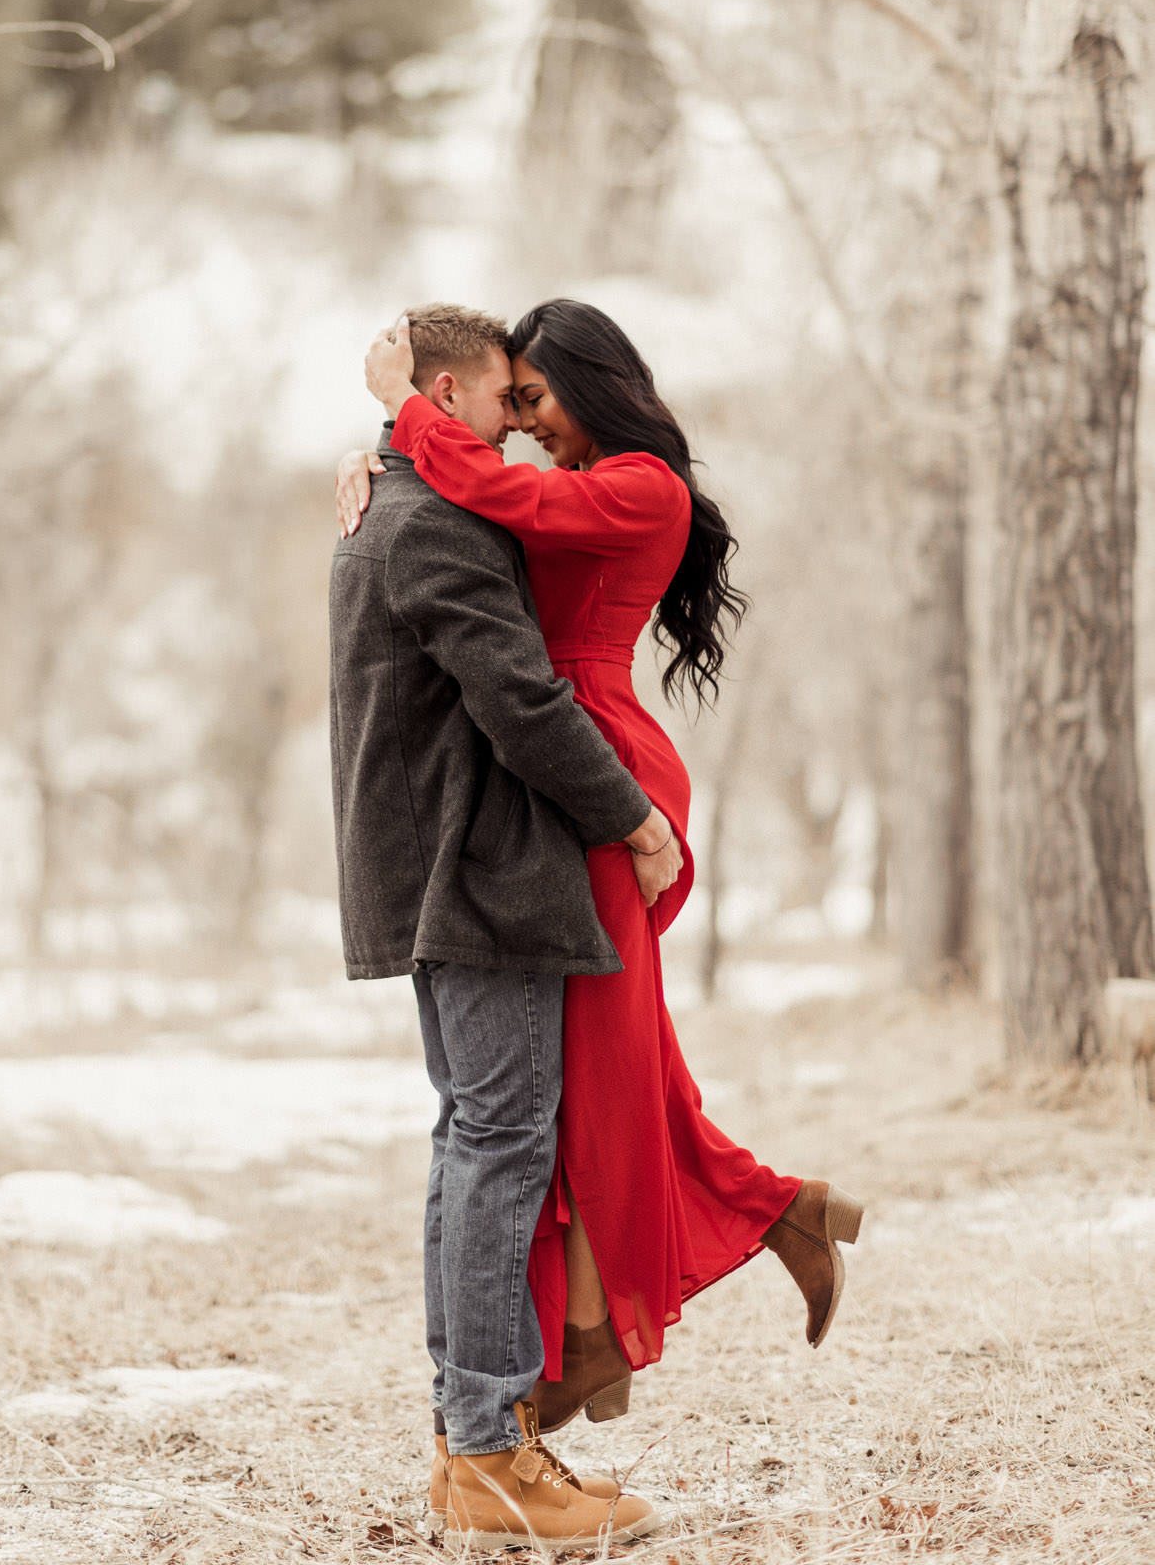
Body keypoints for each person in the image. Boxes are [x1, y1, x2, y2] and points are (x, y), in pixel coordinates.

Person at [341, 296, 864, 1443]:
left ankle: (588, 1338)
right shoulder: (572, 479)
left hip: (592, 767)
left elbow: (510, 499)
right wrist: (379, 455)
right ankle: (749, 1227)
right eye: (510, 402)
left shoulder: (641, 483)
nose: (524, 425)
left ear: (592, 379)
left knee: (598, 1073)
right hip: (551, 777)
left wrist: (401, 418)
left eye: (533, 399)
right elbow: (482, 511)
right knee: (599, 1066)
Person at [328, 302, 679, 1552]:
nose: (513, 431)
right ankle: (485, 1451)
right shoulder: (434, 525)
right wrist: (633, 818)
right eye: (495, 402)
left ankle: (466, 1443)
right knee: (498, 1142)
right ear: (441, 392)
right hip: (477, 873)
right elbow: (522, 702)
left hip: (448, 872)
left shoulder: (397, 507)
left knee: (475, 1136)